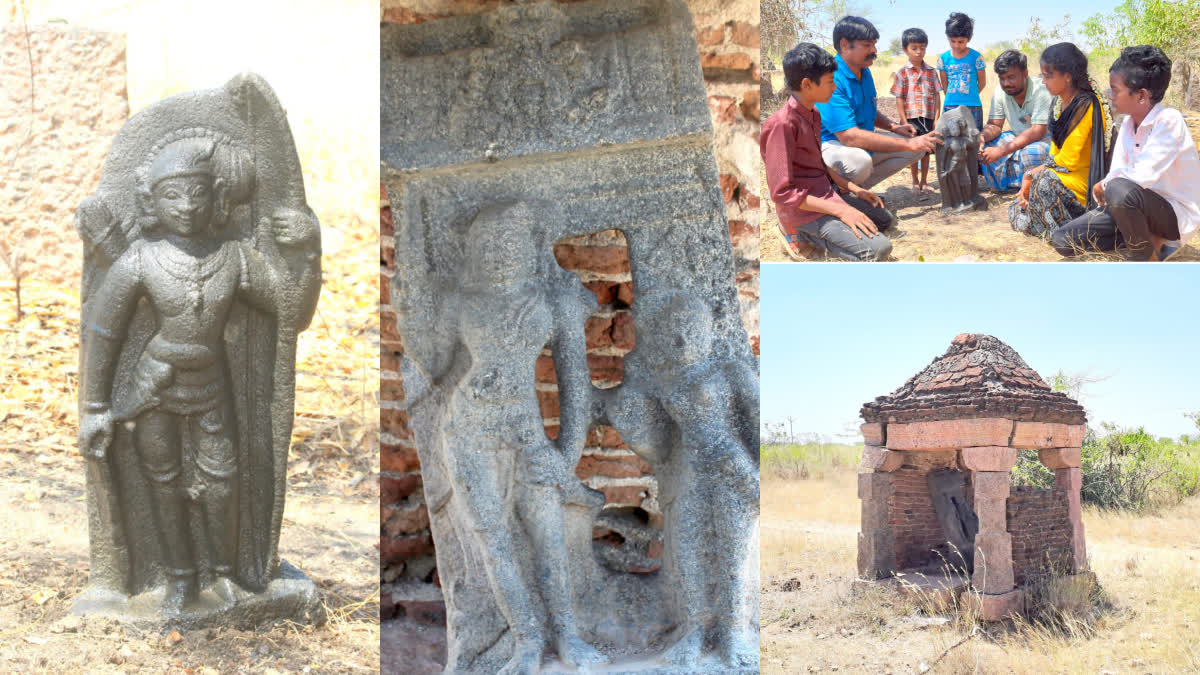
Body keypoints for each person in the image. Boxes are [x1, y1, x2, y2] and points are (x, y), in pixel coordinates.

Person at [78, 133, 321, 615]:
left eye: (198, 193)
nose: (186, 206)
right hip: (154, 385)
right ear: (151, 201)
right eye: (172, 195)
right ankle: (181, 581)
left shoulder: (233, 258)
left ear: (219, 198)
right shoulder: (141, 259)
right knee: (162, 480)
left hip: (211, 385)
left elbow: (290, 311)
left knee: (223, 479)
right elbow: (103, 332)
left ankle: (227, 574)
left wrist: (307, 253)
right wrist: (94, 408)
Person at [1051, 45, 1200, 260]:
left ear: (1141, 96)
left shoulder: (1169, 120)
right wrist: (1107, 184)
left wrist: (1104, 185)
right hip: (1131, 208)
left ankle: (1147, 256)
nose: (1110, 96)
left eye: (1115, 89)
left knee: (1119, 190)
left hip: (1172, 217)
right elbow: (1118, 171)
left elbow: (1141, 177)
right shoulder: (1129, 125)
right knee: (1063, 239)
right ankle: (1144, 238)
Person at [761, 42, 900, 261]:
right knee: (879, 249)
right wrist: (843, 211)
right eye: (829, 82)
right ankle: (796, 231)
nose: (834, 87)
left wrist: (854, 188)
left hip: (824, 194)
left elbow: (819, 166)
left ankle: (829, 223)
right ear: (807, 84)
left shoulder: (813, 113)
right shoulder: (782, 125)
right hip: (802, 209)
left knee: (884, 220)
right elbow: (783, 193)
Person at [817, 16, 943, 191]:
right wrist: (907, 144)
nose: (874, 50)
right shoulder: (831, 77)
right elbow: (849, 137)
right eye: (867, 45)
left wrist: (893, 127)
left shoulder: (864, 71)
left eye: (874, 44)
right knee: (860, 162)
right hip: (836, 146)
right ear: (845, 45)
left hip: (861, 143)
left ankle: (851, 193)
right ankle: (833, 191)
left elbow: (869, 109)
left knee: (919, 148)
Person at [1008, 43, 1113, 239]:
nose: (1044, 82)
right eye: (1043, 76)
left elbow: (1069, 160)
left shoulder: (1086, 103)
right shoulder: (1059, 103)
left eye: (1048, 76)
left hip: (1080, 184)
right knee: (1016, 206)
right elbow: (1054, 154)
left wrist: (1031, 174)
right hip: (1063, 178)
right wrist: (1032, 176)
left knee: (1042, 182)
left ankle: (1061, 232)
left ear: (1068, 76)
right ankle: (1043, 220)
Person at [978, 49, 1053, 191]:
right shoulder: (1000, 92)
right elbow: (995, 125)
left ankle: (1033, 185)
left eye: (1011, 77)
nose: (1006, 83)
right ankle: (1012, 183)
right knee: (986, 147)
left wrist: (1001, 151)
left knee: (1032, 152)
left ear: (1025, 73)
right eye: (1002, 78)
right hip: (1017, 138)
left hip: (1045, 140)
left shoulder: (1042, 90)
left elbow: (1038, 131)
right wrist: (981, 137)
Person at [891, 27, 943, 197]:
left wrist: (936, 118)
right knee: (913, 151)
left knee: (926, 151)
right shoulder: (902, 73)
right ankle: (914, 181)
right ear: (905, 50)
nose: (919, 52)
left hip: (928, 118)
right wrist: (904, 121)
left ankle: (925, 182)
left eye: (922, 47)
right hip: (911, 119)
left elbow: (937, 96)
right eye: (914, 48)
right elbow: (899, 98)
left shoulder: (931, 72)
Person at [937, 12, 986, 130]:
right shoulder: (943, 59)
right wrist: (955, 97)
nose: (956, 45)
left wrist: (970, 95)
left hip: (973, 106)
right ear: (948, 38)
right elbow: (945, 85)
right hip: (950, 106)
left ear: (969, 38)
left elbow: (982, 83)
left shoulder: (976, 57)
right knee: (950, 140)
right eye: (952, 41)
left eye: (961, 42)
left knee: (973, 140)